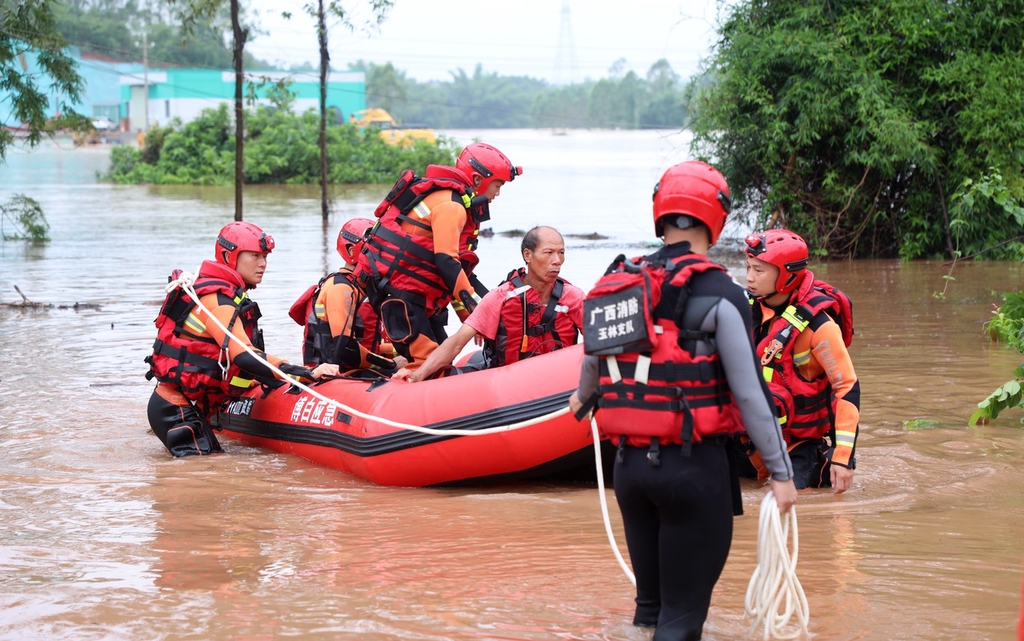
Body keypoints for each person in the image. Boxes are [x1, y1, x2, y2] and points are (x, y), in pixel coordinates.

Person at [568, 160, 797, 640]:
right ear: (716, 218)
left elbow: (588, 378)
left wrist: (582, 401)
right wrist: (780, 474)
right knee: (681, 620)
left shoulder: (620, 282)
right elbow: (751, 394)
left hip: (630, 471)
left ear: (660, 213)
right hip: (693, 474)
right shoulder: (722, 294)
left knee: (649, 611)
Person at [146, 221, 339, 457]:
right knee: (205, 474)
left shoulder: (224, 297)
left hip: (186, 407)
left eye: (265, 257)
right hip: (175, 410)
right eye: (255, 255)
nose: (263, 264)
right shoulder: (218, 302)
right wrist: (305, 372)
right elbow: (245, 356)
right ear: (228, 256)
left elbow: (232, 359)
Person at [353, 142, 522, 371]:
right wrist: (478, 310)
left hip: (417, 300)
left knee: (443, 360)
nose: (497, 194)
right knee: (429, 367)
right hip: (402, 299)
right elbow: (446, 263)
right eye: (497, 185)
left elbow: (456, 271)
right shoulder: (451, 205)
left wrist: (476, 313)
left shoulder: (451, 200)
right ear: (478, 180)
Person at [743, 228, 860, 492]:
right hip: (749, 440)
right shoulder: (747, 310)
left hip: (797, 444)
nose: (749, 277)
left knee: (788, 503)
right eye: (748, 267)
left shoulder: (820, 326)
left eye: (758, 270)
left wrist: (843, 459)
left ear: (786, 274)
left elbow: (847, 388)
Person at [392, 225, 584, 382]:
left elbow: (601, 337)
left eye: (561, 253)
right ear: (528, 255)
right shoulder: (500, 297)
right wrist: (418, 375)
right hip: (508, 384)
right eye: (549, 252)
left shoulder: (573, 296)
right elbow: (456, 343)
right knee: (445, 378)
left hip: (560, 382)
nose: (557, 261)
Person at [290, 217, 406, 374]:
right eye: (376, 250)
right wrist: (391, 364)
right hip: (333, 374)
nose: (383, 257)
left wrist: (400, 352)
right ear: (352, 250)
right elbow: (344, 349)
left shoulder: (362, 288)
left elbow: (364, 344)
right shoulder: (341, 289)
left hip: (356, 369)